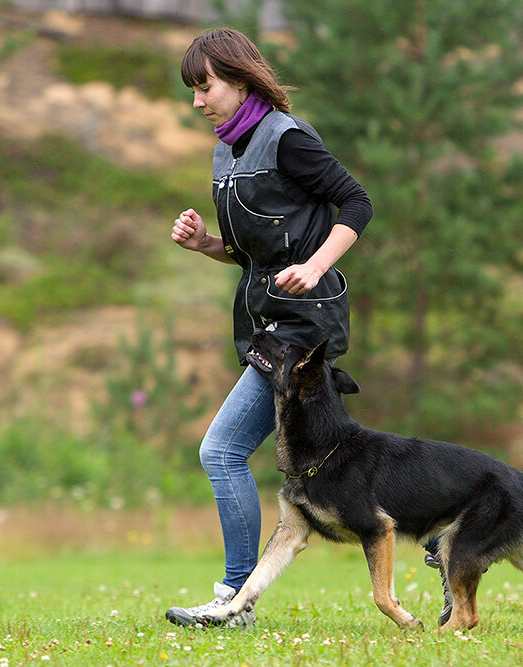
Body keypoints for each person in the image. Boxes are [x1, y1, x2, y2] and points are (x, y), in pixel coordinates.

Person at [163, 28, 372, 629]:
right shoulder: (226, 150)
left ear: (241, 80)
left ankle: (233, 599)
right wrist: (207, 244)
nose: (197, 101)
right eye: (193, 90)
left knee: (222, 451)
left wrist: (315, 264)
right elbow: (257, 250)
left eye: (205, 87)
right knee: (335, 460)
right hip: (265, 323)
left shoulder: (287, 138)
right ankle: (440, 527)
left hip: (303, 328)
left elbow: (356, 202)